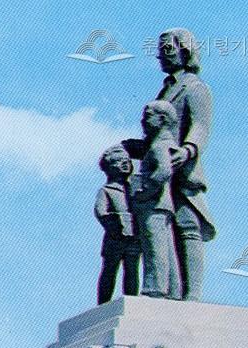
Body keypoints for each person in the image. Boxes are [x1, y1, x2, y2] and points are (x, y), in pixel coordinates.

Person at [152, 27, 217, 301]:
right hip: (161, 172)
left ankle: (192, 296)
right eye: (160, 51)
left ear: (185, 50)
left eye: (168, 48)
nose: (162, 55)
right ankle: (172, 291)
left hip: (184, 170)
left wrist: (188, 150)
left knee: (188, 227)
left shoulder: (195, 87)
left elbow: (200, 126)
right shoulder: (164, 91)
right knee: (165, 231)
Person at [122, 100, 182, 298]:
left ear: (162, 119)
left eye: (147, 116)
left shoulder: (158, 146)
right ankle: (173, 290)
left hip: (153, 204)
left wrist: (145, 192)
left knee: (154, 246)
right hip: (162, 205)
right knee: (167, 249)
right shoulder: (165, 143)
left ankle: (154, 289)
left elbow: (164, 171)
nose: (143, 121)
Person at [94, 145, 140, 304]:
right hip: (115, 236)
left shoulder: (133, 188)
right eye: (119, 161)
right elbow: (100, 211)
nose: (125, 164)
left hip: (133, 235)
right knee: (110, 270)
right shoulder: (107, 190)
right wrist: (112, 223)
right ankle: (103, 303)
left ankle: (132, 301)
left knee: (132, 269)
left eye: (127, 160)